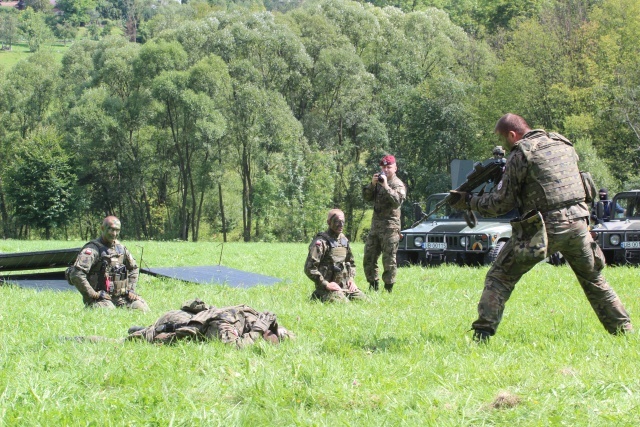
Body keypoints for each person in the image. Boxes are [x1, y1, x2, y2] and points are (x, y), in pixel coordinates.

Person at [452, 113, 632, 341]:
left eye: (504, 140)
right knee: (594, 280)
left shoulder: (521, 153)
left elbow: (501, 203)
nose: (505, 147)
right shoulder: (562, 143)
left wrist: (469, 201)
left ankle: (482, 334)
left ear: (512, 134)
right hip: (579, 223)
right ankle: (625, 331)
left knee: (499, 277)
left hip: (545, 228)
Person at [127, 299, 294, 347]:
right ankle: (144, 330)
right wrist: (258, 331)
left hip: (195, 316)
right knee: (148, 337)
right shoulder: (227, 324)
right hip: (175, 320)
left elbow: (286, 334)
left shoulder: (253, 317)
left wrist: (277, 330)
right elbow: (234, 347)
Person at [67, 216, 149, 312]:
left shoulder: (121, 248)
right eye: (111, 229)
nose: (114, 234)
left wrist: (131, 290)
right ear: (102, 228)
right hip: (100, 298)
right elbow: (76, 274)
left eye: (117, 230)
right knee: (108, 312)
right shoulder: (92, 249)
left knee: (142, 308)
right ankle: (90, 307)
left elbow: (133, 268)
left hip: (121, 297)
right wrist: (93, 294)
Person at [362, 155, 406, 292]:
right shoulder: (378, 182)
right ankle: (373, 285)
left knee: (389, 260)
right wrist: (372, 184)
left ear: (395, 168)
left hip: (390, 228)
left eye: (389, 167)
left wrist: (386, 186)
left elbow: (397, 201)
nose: (386, 170)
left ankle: (388, 288)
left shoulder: (397, 184)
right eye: (383, 167)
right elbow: (366, 197)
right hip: (376, 227)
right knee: (369, 256)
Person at [304, 209, 367, 302]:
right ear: (329, 222)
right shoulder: (321, 242)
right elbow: (309, 268)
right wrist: (325, 284)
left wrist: (351, 280)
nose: (341, 224)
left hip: (345, 287)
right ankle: (318, 295)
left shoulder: (343, 240)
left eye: (343, 222)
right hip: (327, 288)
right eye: (337, 221)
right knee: (344, 305)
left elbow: (351, 263)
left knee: (364, 301)